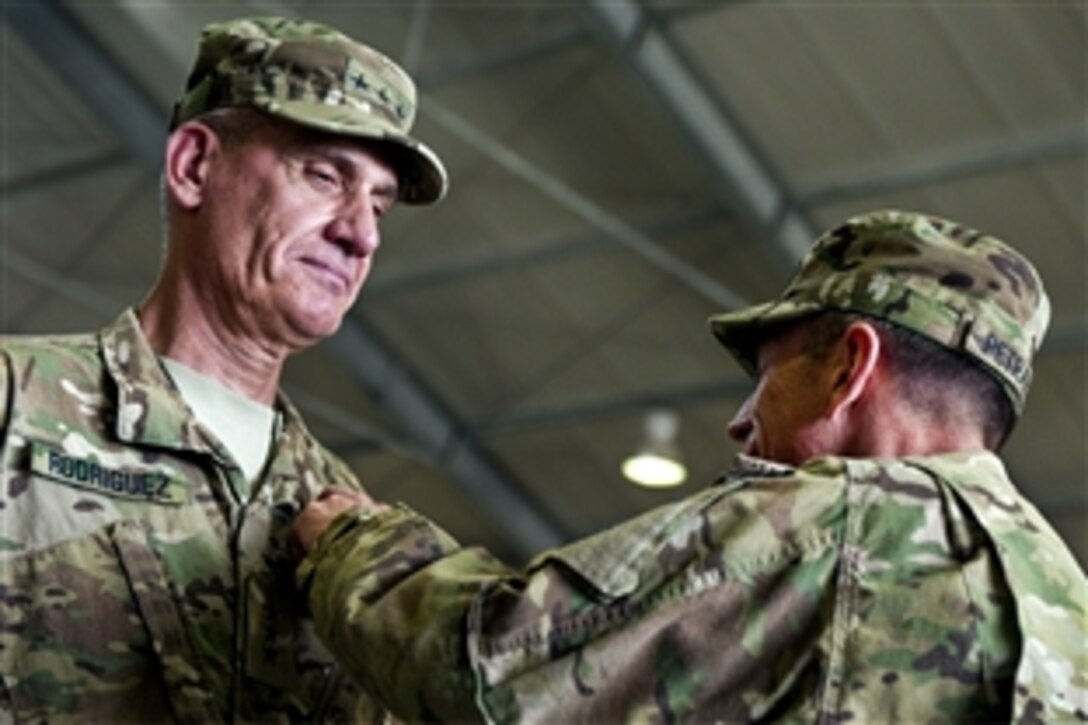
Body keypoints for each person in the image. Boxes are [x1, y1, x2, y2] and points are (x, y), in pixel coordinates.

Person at [291, 210, 1087, 723]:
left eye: (769, 375)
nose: (741, 420)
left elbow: (488, 673)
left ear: (850, 365)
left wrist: (354, 542)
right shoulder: (1066, 602)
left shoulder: (837, 522)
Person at [0, 16, 446, 721]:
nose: (360, 232)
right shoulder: (18, 406)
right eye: (325, 175)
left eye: (380, 206)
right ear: (194, 166)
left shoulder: (344, 520)